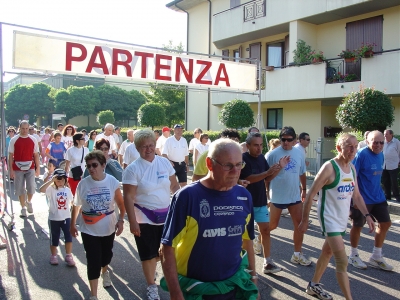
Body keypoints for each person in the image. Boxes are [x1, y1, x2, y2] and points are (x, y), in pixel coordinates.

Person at [159, 139, 259, 299]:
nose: (235, 171)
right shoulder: (187, 197)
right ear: (209, 163)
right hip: (196, 291)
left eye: (239, 165)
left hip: (233, 287)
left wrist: (254, 280)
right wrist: (176, 293)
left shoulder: (244, 196)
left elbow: (247, 243)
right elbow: (166, 248)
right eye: (228, 165)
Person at [299, 133, 375, 300]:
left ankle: (313, 285)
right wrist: (304, 220)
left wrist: (368, 216)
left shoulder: (352, 169)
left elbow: (357, 196)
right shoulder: (329, 167)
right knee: (342, 261)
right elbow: (311, 194)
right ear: (339, 148)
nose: (353, 150)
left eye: (355, 146)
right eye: (349, 146)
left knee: (327, 252)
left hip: (341, 219)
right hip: (329, 218)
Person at [122, 129, 180, 300]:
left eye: (151, 145)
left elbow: (175, 187)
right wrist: (132, 222)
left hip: (166, 216)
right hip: (144, 217)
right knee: (148, 255)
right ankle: (151, 286)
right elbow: (128, 197)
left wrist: (181, 205)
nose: (148, 149)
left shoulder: (164, 163)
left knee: (165, 253)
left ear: (155, 145)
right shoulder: (133, 169)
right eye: (143, 146)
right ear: (137, 148)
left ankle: (169, 282)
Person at [70, 150, 126, 300]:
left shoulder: (112, 182)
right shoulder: (83, 184)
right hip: (88, 229)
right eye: (89, 166)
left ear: (103, 165)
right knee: (93, 259)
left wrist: (121, 221)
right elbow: (76, 206)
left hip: (108, 227)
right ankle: (93, 295)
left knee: (106, 256)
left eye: (94, 165)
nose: (91, 169)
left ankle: (105, 270)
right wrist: (72, 224)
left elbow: (121, 204)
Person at [240, 132, 288, 274]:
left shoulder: (261, 158)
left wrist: (279, 167)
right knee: (244, 236)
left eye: (261, 145)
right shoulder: (243, 159)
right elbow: (248, 178)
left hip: (260, 202)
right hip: (246, 203)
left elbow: (267, 178)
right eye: (256, 145)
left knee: (266, 230)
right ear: (248, 146)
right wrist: (267, 172)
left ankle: (268, 262)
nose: (259, 148)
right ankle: (244, 265)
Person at [348, 130, 394, 271]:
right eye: (375, 142)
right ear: (368, 141)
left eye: (381, 142)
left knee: (385, 223)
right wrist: (354, 197)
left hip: (378, 197)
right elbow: (351, 175)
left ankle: (376, 256)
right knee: (358, 225)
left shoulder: (381, 154)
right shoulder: (361, 154)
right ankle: (353, 255)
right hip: (362, 198)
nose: (379, 145)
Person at [266, 126, 311, 266]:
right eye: (283, 139)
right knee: (272, 225)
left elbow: (302, 172)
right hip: (277, 196)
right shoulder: (272, 155)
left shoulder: (299, 153)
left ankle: (297, 254)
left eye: (289, 140)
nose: (285, 142)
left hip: (294, 196)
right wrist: (267, 195)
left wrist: (304, 189)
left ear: (294, 140)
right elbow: (266, 178)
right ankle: (258, 239)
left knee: (299, 226)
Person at [40, 168, 76, 266]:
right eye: (58, 179)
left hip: (66, 218)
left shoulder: (67, 190)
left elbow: (72, 202)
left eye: (62, 179)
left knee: (68, 237)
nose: (60, 182)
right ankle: (54, 255)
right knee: (54, 237)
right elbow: (41, 190)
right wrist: (51, 181)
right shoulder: (51, 189)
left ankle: (68, 255)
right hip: (54, 218)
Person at [8, 121, 40, 217]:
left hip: (30, 166)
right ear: (19, 128)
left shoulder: (33, 139)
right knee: (19, 188)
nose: (25, 130)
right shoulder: (14, 140)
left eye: (27, 128)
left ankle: (28, 201)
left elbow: (36, 155)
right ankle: (23, 208)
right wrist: (11, 170)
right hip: (17, 167)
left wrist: (37, 168)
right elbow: (10, 155)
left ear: (29, 128)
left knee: (31, 187)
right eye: (23, 128)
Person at [382, 129, 400, 202]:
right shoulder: (383, 142)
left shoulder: (397, 142)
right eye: (384, 134)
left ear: (391, 134)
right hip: (384, 165)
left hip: (393, 165)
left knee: (394, 181)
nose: (385, 136)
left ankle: (397, 196)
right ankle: (387, 195)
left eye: (386, 134)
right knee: (385, 181)